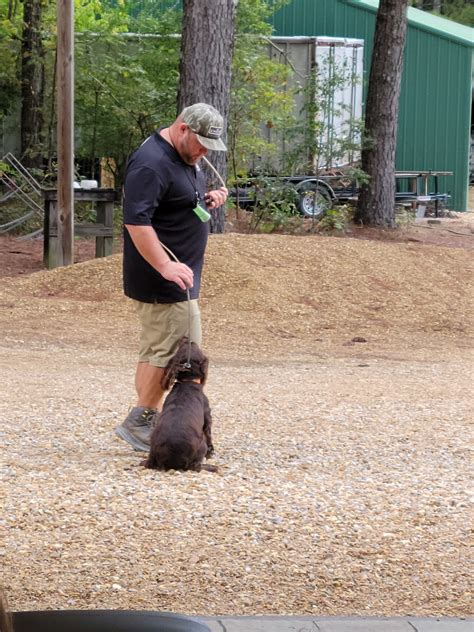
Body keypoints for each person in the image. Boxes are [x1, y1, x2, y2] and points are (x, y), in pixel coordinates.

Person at [115, 103, 228, 452]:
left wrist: (207, 200)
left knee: (157, 349)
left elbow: (174, 201)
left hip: (179, 276)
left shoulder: (185, 159)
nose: (204, 153)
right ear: (182, 129)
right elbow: (137, 221)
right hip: (163, 278)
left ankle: (144, 419)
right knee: (174, 351)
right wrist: (165, 266)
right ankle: (141, 421)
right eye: (201, 144)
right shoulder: (152, 163)